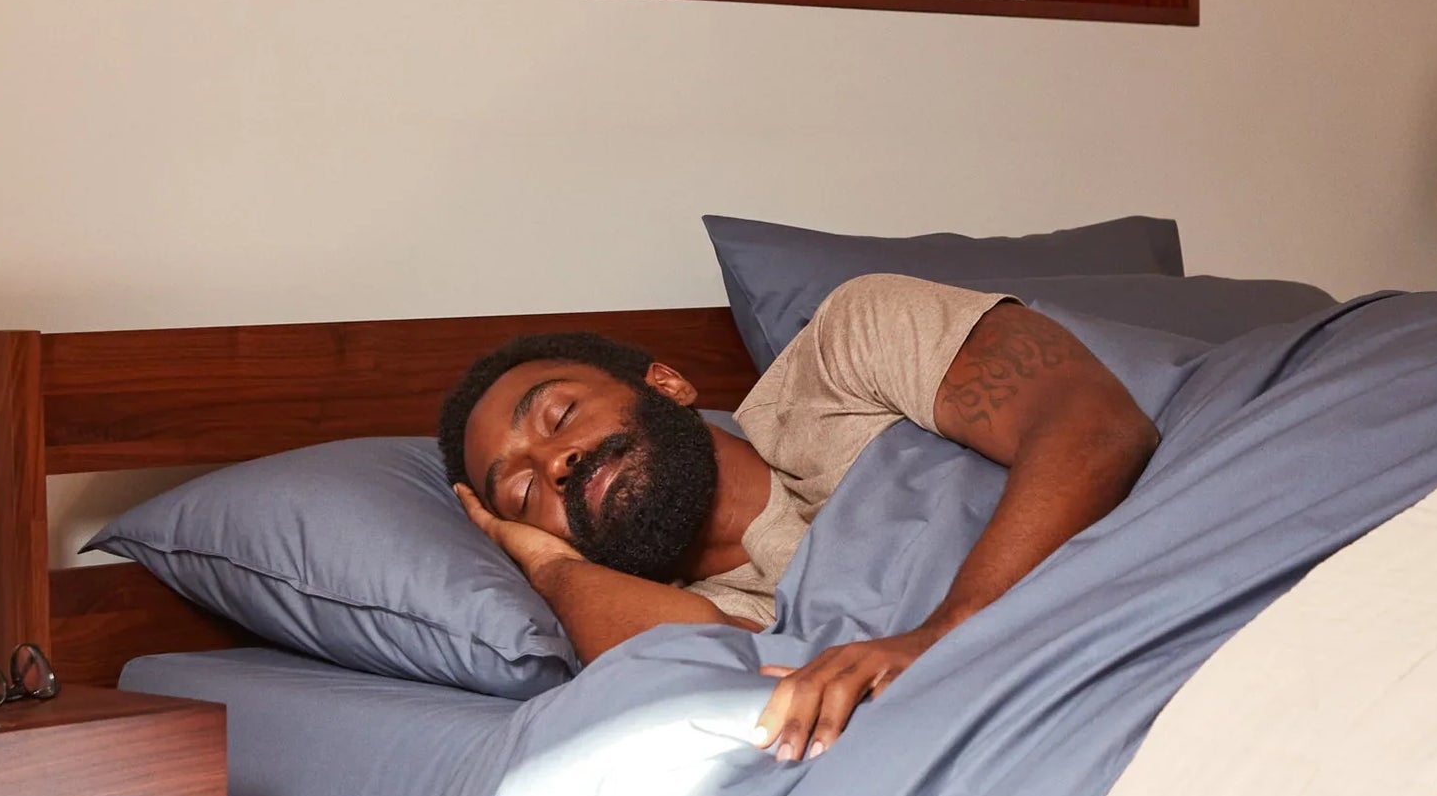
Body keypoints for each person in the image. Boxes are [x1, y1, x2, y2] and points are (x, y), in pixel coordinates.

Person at [437, 274, 1158, 759]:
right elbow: (704, 674)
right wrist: (546, 562)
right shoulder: (696, 618)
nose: (555, 464)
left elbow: (1093, 426)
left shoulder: (843, 356)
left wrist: (947, 633)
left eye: (560, 415)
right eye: (526, 495)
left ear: (667, 383)